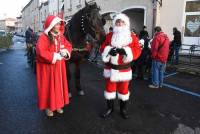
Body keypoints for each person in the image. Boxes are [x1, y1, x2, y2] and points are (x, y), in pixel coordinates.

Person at [100, 13, 141, 119]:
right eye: (117, 21)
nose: (119, 23)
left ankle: (123, 110)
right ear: (115, 23)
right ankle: (110, 108)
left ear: (126, 23)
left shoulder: (132, 37)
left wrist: (127, 51)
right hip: (111, 69)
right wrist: (109, 51)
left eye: (122, 21)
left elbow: (137, 50)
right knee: (109, 90)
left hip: (124, 70)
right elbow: (102, 48)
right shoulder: (109, 36)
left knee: (123, 91)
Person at [36, 15, 72, 117]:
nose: (59, 26)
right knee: (49, 87)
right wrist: (55, 56)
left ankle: (58, 105)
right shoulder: (44, 37)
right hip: (48, 68)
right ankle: (49, 107)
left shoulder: (61, 36)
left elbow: (68, 45)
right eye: (57, 24)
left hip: (59, 68)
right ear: (51, 25)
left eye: (59, 24)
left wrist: (65, 52)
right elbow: (40, 52)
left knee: (59, 86)